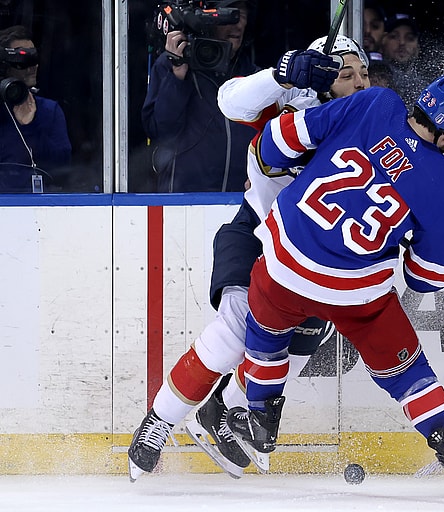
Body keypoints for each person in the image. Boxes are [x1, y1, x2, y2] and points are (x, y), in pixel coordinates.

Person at [224, 74, 444, 491]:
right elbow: (428, 278)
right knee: (405, 370)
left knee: (266, 331)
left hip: (285, 261)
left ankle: (260, 415)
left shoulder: (376, 104)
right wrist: (407, 244)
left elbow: (274, 143)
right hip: (354, 291)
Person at [127, 35, 370, 482]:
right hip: (257, 235)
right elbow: (230, 101)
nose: (358, 83)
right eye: (345, 74)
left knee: (287, 354)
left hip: (317, 258)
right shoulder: (288, 108)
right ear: (318, 79)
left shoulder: (373, 123)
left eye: (364, 73)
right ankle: (159, 421)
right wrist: (283, 72)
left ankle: (219, 410)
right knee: (237, 330)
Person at [141, 0, 258, 192]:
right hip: (183, 205)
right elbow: (160, 132)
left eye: (241, 15)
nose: (236, 24)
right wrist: (177, 75)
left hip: (241, 205)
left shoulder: (254, 77)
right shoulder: (172, 64)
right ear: (208, 18)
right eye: (228, 14)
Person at [0, 25, 71, 193]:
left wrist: (31, 127)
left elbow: (63, 167)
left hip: (38, 207)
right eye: (23, 58)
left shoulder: (49, 110)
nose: (33, 66)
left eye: (34, 57)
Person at [380, 12, 431, 107]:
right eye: (394, 36)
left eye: (409, 38)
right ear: (383, 42)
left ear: (418, 47)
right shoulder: (373, 78)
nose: (402, 43)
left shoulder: (426, 88)